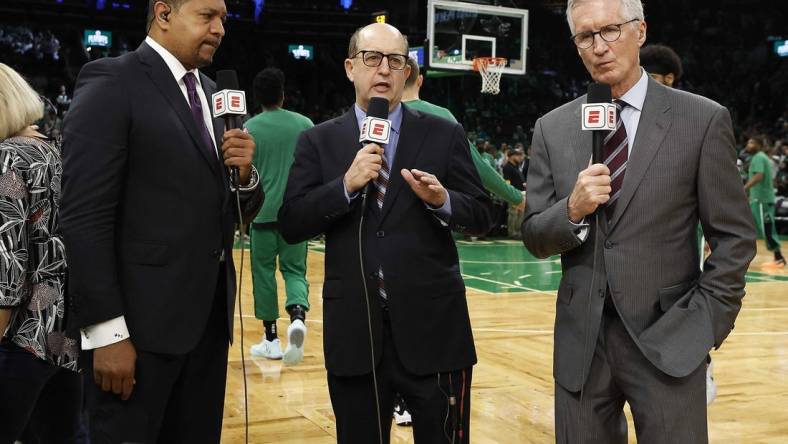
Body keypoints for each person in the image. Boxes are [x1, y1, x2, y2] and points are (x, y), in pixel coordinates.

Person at [522, 1, 756, 442]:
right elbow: (534, 235)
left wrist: (703, 325)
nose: (599, 47)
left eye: (610, 30)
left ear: (640, 31)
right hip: (581, 347)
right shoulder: (552, 128)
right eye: (585, 37)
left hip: (670, 339)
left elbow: (735, 240)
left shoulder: (702, 119)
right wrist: (570, 209)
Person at [59, 0, 264, 442]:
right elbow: (83, 217)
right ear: (164, 13)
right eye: (207, 16)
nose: (220, 28)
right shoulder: (113, 80)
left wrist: (245, 177)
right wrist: (106, 333)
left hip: (206, 328)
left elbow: (233, 207)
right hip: (136, 333)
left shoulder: (214, 94)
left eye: (224, 19)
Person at [279, 22, 492, 443]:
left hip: (436, 334)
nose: (384, 69)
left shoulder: (443, 133)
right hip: (355, 335)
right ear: (349, 67)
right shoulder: (317, 141)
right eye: (372, 58)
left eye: (396, 61)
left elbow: (483, 213)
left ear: (407, 71)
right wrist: (345, 186)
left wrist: (442, 200)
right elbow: (292, 222)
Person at [0, 63, 82, 443]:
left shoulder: (6, 159)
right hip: (61, 335)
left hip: (18, 338)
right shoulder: (49, 151)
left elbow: (8, 268)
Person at [641, 41, 719, 405]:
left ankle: (701, 366)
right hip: (643, 253)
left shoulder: (698, 121)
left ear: (669, 79)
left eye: (653, 76)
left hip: (686, 249)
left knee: (685, 317)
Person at [245, 67, 314, 365]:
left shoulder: (249, 128)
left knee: (263, 273)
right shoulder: (305, 124)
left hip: (261, 215)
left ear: (257, 98)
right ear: (283, 94)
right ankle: (298, 316)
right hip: (296, 214)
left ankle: (271, 338)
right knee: (295, 271)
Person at [745, 136, 785, 268]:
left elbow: (759, 175)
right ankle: (742, 258)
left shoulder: (759, 157)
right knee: (749, 228)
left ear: (759, 145)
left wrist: (744, 188)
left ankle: (779, 259)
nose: (748, 144)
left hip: (762, 200)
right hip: (758, 199)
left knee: (767, 228)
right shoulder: (760, 157)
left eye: (751, 142)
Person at [502, 148, 527, 239]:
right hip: (513, 193)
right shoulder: (507, 167)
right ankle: (512, 233)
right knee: (513, 213)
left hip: (521, 192)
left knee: (520, 214)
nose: (519, 157)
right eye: (517, 155)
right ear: (512, 156)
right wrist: (509, 193)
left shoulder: (516, 167)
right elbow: (507, 182)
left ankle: (518, 232)